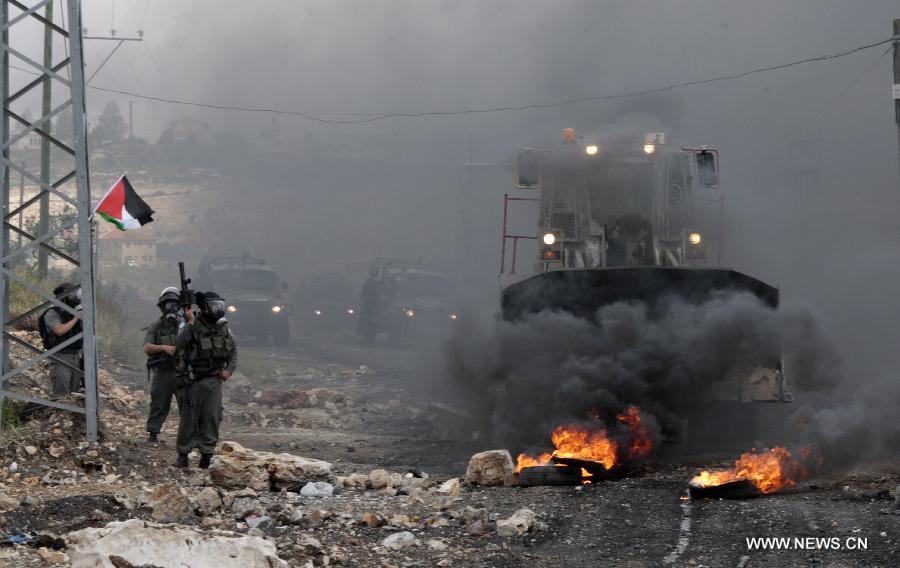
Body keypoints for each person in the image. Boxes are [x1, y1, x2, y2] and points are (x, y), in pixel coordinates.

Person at [173, 291, 237, 469]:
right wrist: (190, 322)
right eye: (215, 306)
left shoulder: (223, 327)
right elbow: (179, 343)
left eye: (220, 306)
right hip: (193, 379)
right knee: (189, 418)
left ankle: (206, 455)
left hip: (214, 380)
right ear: (204, 307)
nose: (218, 310)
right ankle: (183, 454)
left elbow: (233, 351)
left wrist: (229, 370)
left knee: (211, 417)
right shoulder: (191, 324)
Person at [143, 287, 183, 444]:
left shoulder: (184, 325)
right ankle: (153, 433)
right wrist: (164, 348)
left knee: (187, 406)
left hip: (182, 372)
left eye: (174, 304)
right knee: (159, 403)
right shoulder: (156, 326)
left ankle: (189, 438)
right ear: (162, 306)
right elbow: (147, 347)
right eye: (168, 304)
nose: (171, 308)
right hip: (163, 371)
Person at [42, 282, 83, 400]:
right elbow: (59, 331)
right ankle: (61, 417)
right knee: (61, 397)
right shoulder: (52, 313)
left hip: (76, 358)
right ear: (64, 296)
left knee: (73, 397)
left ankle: (69, 418)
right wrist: (76, 318)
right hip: (60, 358)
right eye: (73, 294)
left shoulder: (72, 314)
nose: (76, 297)